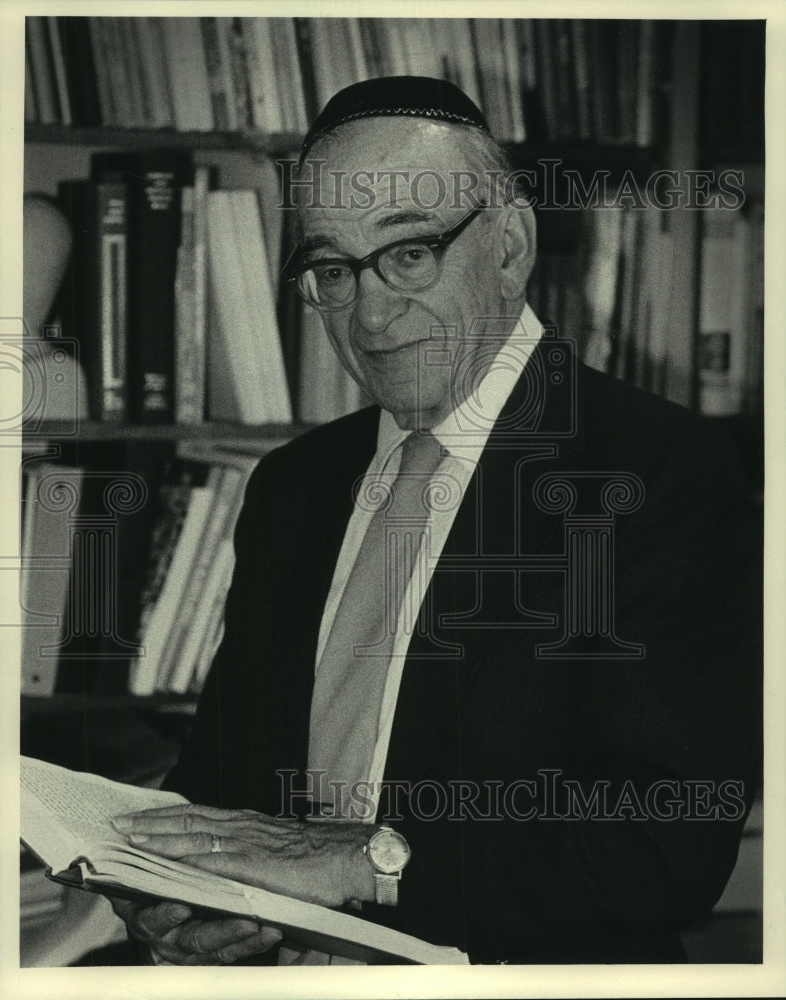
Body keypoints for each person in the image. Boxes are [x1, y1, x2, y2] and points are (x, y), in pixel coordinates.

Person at [110, 77, 759, 965]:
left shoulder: (656, 471)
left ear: (510, 243)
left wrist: (360, 861)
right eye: (333, 269)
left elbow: (662, 847)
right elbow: (222, 780)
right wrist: (168, 887)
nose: (370, 316)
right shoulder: (292, 484)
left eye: (409, 252)